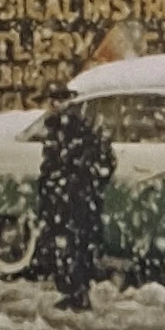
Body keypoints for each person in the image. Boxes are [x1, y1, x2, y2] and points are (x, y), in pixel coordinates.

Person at [35, 82, 116, 313]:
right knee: (70, 245)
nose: (52, 105)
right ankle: (75, 291)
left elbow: (93, 160)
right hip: (69, 197)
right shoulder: (63, 127)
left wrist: (75, 183)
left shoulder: (73, 127)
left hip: (73, 199)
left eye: (57, 100)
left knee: (72, 245)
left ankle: (77, 292)